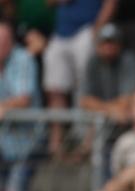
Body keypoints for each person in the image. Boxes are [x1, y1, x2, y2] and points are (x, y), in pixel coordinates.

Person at [43, 0, 117, 155]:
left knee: (85, 88)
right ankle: (56, 145)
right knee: (54, 88)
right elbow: (48, 3)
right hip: (61, 33)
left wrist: (97, 30)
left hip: (87, 30)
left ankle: (86, 142)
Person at [0, 19, 42, 191]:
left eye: (3, 42)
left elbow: (24, 98)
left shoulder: (23, 59)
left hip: (30, 142)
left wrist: (4, 107)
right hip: (4, 144)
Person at [79, 23, 135, 122]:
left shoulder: (128, 60)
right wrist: (110, 111)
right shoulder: (93, 62)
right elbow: (84, 100)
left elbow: (127, 100)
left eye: (112, 42)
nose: (108, 47)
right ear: (98, 45)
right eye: (105, 43)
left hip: (127, 122)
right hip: (102, 119)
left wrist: (100, 107)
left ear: (120, 45)